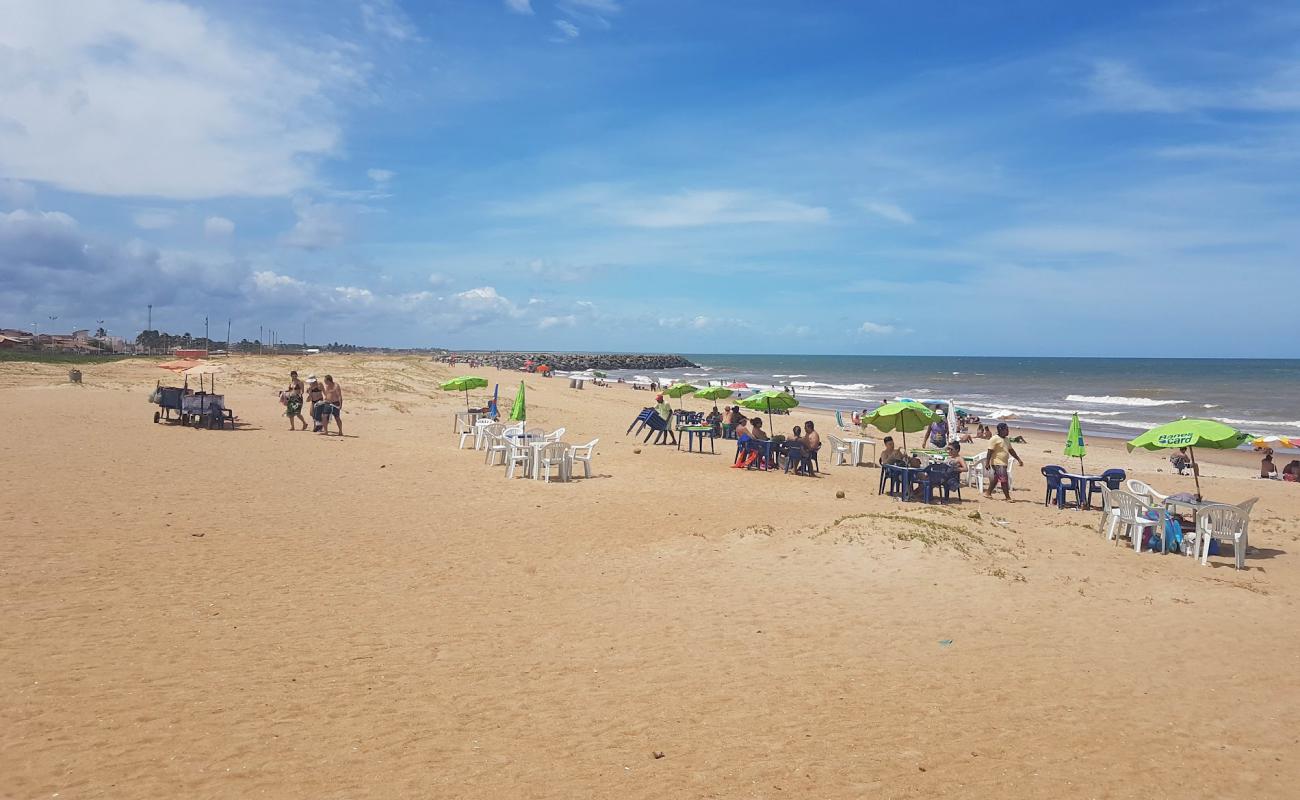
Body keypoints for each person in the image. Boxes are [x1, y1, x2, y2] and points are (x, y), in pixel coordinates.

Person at [983, 422, 1023, 501]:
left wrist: (1018, 459)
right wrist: (987, 463)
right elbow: (990, 451)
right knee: (1004, 479)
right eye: (1006, 429)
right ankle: (1007, 497)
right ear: (1001, 430)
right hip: (997, 462)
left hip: (1004, 463)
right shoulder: (994, 439)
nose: (1008, 431)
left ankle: (988, 493)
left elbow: (1011, 450)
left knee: (996, 479)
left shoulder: (1006, 439)